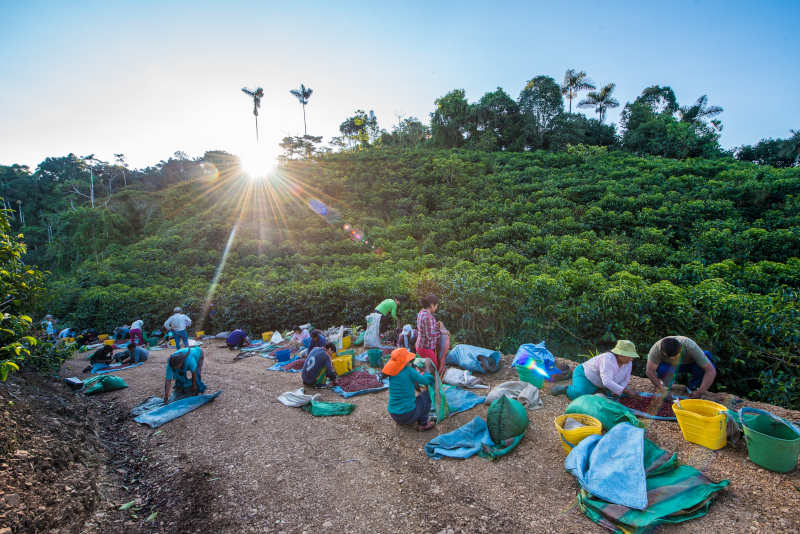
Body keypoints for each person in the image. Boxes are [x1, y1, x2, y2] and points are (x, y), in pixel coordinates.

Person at [551, 340, 643, 400]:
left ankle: (599, 390)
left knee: (624, 393)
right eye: (629, 356)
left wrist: (618, 390)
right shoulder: (608, 359)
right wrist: (625, 391)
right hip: (585, 376)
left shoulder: (628, 363)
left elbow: (626, 379)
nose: (631, 359)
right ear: (620, 354)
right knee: (579, 394)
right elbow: (607, 381)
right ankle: (565, 389)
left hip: (602, 382)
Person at [645, 336, 717, 401]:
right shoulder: (656, 350)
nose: (674, 358)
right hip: (670, 366)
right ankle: (667, 382)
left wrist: (701, 391)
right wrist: (663, 391)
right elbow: (650, 371)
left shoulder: (690, 346)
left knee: (707, 360)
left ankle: (693, 385)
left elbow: (711, 371)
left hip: (689, 363)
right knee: (661, 368)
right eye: (670, 356)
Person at [383, 348, 436, 431]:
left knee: (406, 397)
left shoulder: (392, 372)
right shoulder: (409, 370)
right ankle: (423, 424)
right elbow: (426, 381)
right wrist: (427, 370)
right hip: (408, 415)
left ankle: (402, 421)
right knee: (427, 394)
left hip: (394, 414)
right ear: (406, 361)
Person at [416, 295, 444, 372]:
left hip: (420, 345)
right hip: (425, 347)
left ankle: (424, 383)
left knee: (426, 369)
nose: (436, 308)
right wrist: (441, 333)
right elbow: (429, 335)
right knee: (434, 369)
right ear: (432, 305)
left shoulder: (421, 313)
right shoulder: (429, 317)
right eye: (436, 306)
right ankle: (429, 384)